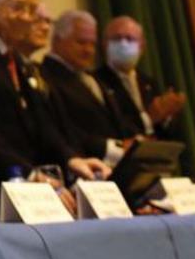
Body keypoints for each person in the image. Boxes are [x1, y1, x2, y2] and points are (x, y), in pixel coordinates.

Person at [0, 0, 109, 219]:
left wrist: (71, 159)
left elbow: (40, 122)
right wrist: (28, 174)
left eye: (32, 9)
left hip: (26, 194)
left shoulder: (13, 56)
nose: (28, 18)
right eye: (18, 7)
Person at [41, 10, 138, 166]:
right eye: (81, 42)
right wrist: (111, 147)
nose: (88, 50)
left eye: (92, 44)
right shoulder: (45, 77)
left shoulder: (92, 78)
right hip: (81, 169)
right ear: (57, 40)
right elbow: (64, 130)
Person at [94, 16, 186, 139]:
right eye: (117, 38)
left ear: (142, 46)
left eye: (130, 39)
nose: (123, 44)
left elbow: (170, 135)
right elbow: (108, 128)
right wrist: (150, 118)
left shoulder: (149, 83)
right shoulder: (96, 82)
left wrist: (166, 116)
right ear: (104, 44)